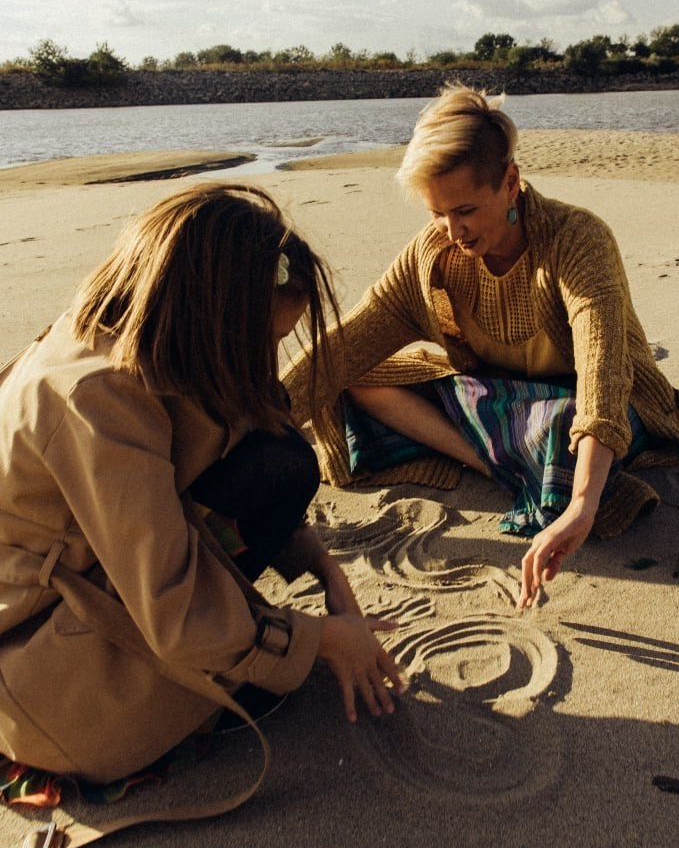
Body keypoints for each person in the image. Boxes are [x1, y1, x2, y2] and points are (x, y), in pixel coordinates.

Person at [0, 182, 403, 790]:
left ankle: (235, 650)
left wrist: (325, 567)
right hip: (46, 683)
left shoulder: (137, 335)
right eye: (262, 340)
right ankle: (203, 683)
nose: (267, 357)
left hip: (90, 595)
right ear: (209, 313)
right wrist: (317, 642)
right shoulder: (95, 400)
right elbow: (173, 607)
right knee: (275, 466)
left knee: (279, 453)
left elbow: (221, 450)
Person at [282, 85, 679, 609]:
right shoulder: (432, 258)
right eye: (437, 214)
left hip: (602, 404)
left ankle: (540, 466)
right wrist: (247, 426)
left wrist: (585, 506)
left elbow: (603, 369)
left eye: (465, 210)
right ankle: (499, 463)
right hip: (501, 399)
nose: (451, 230)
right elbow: (341, 348)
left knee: (562, 427)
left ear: (510, 182)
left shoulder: (576, 239)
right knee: (359, 378)